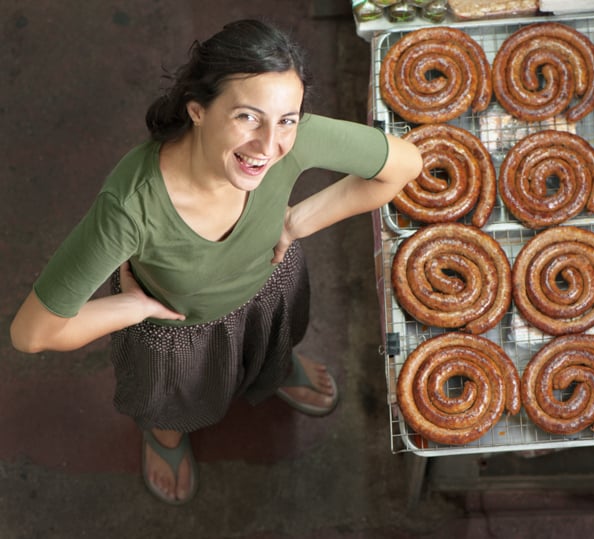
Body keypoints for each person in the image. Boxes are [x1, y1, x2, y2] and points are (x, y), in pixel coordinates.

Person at [9, 19, 422, 505]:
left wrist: (295, 223)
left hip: (267, 285)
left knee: (276, 343)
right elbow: (32, 333)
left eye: (286, 119)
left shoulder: (293, 139)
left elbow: (404, 165)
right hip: (179, 324)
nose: (269, 146)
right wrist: (137, 308)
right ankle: (165, 438)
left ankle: (279, 369)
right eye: (247, 117)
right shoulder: (132, 208)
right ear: (198, 109)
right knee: (172, 402)